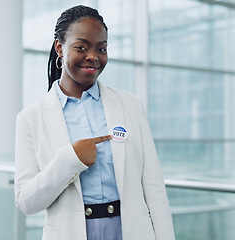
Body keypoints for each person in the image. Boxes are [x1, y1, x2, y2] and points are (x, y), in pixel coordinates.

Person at [14, 5, 175, 240]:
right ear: (60, 47)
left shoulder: (130, 106)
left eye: (101, 49)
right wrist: (71, 159)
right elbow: (26, 201)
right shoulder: (31, 118)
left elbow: (154, 188)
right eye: (81, 47)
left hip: (130, 231)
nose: (93, 57)